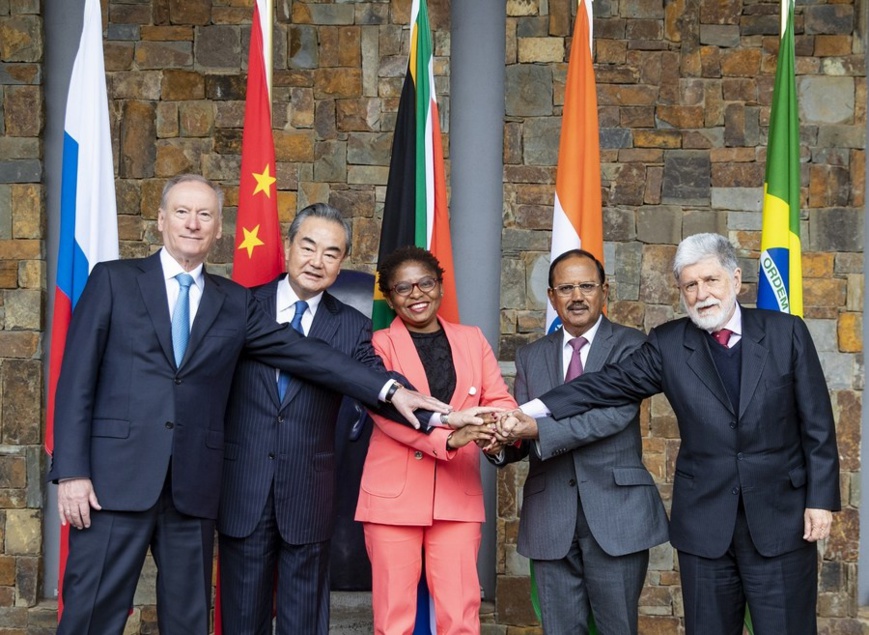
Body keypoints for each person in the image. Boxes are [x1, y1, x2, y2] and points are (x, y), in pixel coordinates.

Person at [47, 175, 447, 635]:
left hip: (192, 492)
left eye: (205, 216)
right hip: (112, 483)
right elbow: (75, 379)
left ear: (219, 230)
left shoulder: (233, 302)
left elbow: (305, 353)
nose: (193, 224)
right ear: (161, 220)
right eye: (182, 212)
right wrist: (72, 471)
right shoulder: (113, 280)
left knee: (189, 622)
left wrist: (393, 390)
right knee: (91, 615)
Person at [499, 233, 840, 635]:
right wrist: (526, 412)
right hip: (705, 525)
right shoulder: (668, 343)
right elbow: (603, 385)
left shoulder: (787, 332)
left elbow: (817, 424)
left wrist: (820, 500)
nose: (702, 294)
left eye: (711, 280)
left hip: (781, 518)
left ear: (736, 278)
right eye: (690, 285)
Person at [218, 203, 393, 634]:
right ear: (288, 247)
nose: (317, 261)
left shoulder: (352, 325)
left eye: (331, 253)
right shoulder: (239, 306)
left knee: (304, 622)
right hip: (243, 486)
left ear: (341, 264)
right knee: (242, 617)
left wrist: (425, 409)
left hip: (308, 493)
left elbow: (375, 378)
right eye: (308, 246)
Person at [492, 249, 668, 634]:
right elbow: (524, 423)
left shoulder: (632, 346)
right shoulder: (530, 356)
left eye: (587, 286)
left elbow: (612, 416)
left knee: (616, 628)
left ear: (605, 291)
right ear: (552, 296)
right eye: (566, 288)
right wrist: (500, 443)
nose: (577, 296)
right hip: (550, 514)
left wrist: (536, 430)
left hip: (615, 513)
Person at [355, 246, 515, 635]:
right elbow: (387, 413)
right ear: (390, 298)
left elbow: (498, 400)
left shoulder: (472, 339)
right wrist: (451, 437)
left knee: (461, 617)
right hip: (392, 499)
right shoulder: (377, 345)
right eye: (403, 287)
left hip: (456, 497)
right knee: (393, 620)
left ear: (440, 287)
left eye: (425, 283)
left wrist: (496, 433)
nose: (416, 294)